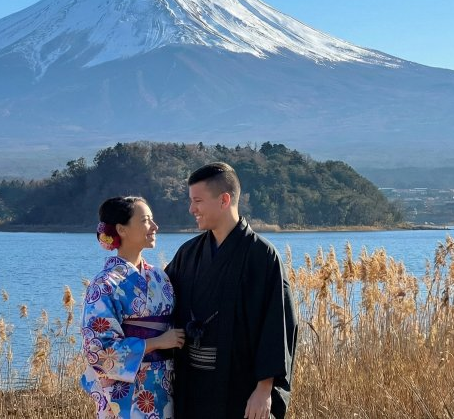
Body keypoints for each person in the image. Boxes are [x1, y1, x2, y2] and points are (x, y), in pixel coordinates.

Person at [165, 163, 298, 419]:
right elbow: (159, 298)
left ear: (224, 200)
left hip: (241, 386)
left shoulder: (262, 255)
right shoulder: (188, 253)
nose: (192, 209)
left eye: (198, 201)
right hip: (191, 385)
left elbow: (277, 324)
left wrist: (264, 388)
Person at [81, 196, 186, 419]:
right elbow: (98, 350)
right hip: (125, 392)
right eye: (146, 220)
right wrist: (157, 342)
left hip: (164, 382)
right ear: (122, 229)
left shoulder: (159, 277)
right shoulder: (104, 284)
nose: (155, 226)